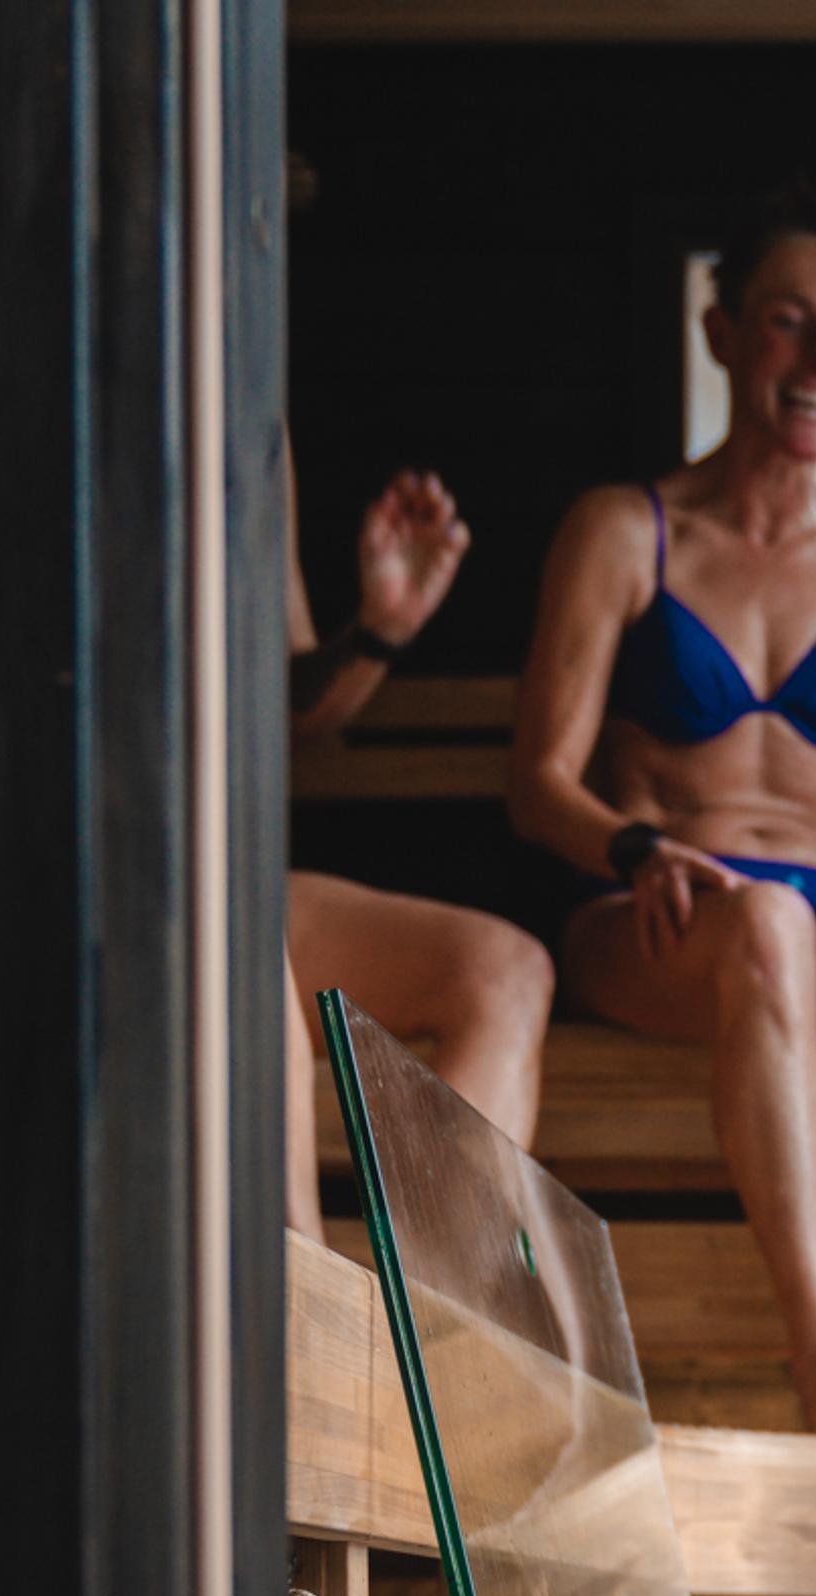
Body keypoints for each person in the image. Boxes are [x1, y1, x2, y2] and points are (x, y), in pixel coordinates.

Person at [507, 184, 816, 1440]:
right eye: (789, 324)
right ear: (723, 336)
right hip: (660, 913)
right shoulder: (629, 531)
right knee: (767, 923)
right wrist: (635, 843)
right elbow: (537, 782)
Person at [280, 460, 557, 1236]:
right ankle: (299, 1319)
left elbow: (297, 704)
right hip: (108, 863)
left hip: (236, 875)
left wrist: (379, 630)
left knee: (506, 971)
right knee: (244, 956)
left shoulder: (252, 411)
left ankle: (426, 1330)